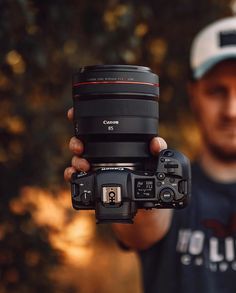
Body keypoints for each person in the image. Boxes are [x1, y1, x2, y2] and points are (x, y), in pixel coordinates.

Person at [64, 17, 236, 293]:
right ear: (194, 95)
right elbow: (144, 228)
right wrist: (126, 177)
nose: (231, 110)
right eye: (217, 91)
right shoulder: (169, 182)